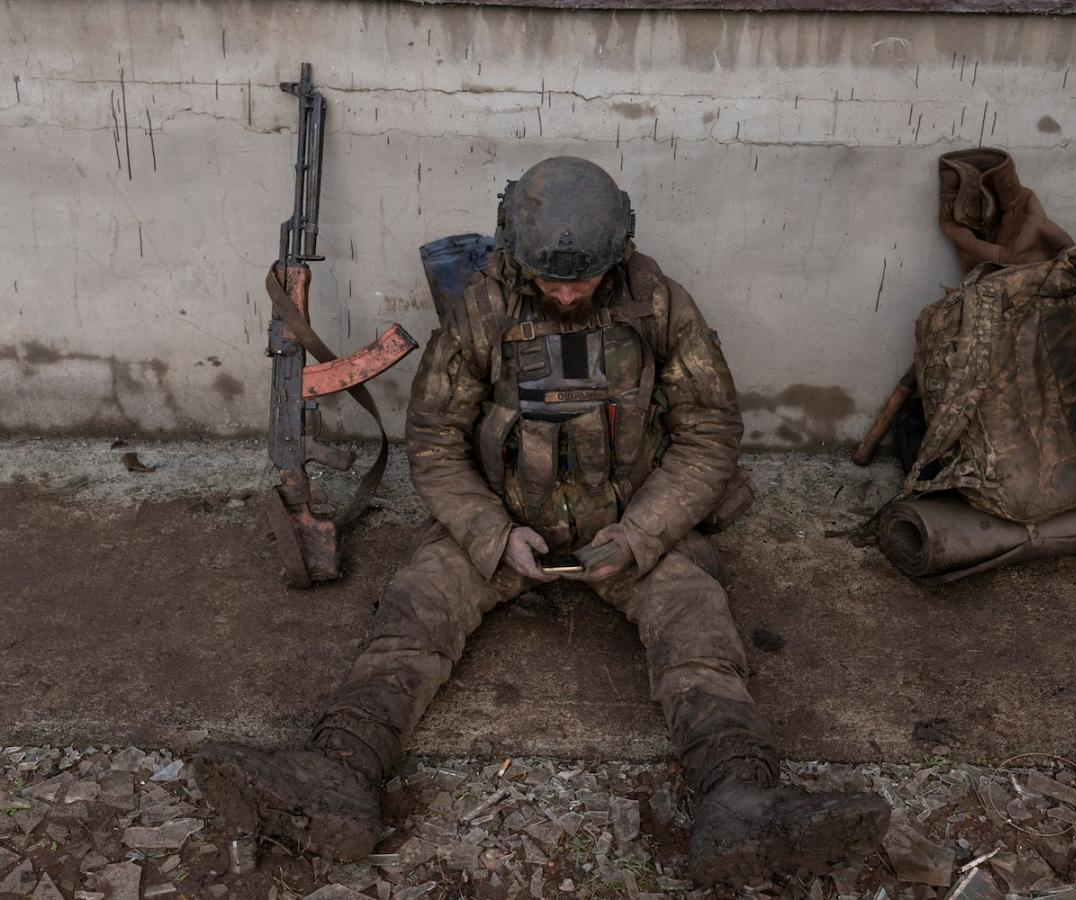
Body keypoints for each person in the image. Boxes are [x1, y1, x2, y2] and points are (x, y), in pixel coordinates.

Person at [195, 156, 888, 885]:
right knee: (413, 617)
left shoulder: (659, 304)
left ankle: (742, 797)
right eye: (550, 278)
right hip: (502, 520)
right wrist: (491, 534)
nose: (563, 291)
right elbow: (433, 436)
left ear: (617, 253)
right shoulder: (484, 307)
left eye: (581, 279)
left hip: (627, 523)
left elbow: (709, 432)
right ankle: (336, 771)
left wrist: (642, 533)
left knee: (698, 632)